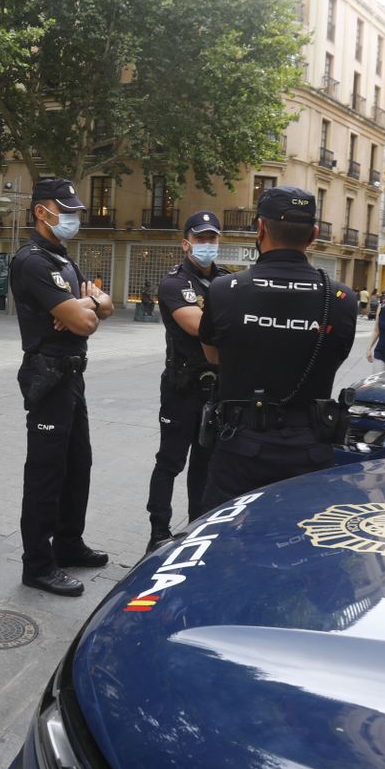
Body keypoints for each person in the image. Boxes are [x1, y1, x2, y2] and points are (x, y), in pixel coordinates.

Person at [198, 186, 357, 513]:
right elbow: (335, 358)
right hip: (310, 450)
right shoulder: (342, 300)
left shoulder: (225, 290)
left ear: (260, 228)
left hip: (240, 448)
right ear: (313, 235)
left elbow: (213, 356)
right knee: (303, 543)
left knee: (226, 546)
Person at [10, 177, 115, 596]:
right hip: (48, 376)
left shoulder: (64, 262)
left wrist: (85, 304)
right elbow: (90, 320)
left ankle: (69, 544)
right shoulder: (32, 261)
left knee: (79, 465)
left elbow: (104, 305)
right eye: (65, 209)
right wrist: (86, 308)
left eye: (74, 211)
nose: (72, 217)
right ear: (41, 211)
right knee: (46, 473)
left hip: (72, 375)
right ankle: (36, 564)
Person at [145, 210, 231, 551]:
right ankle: (158, 532)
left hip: (218, 390)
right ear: (186, 244)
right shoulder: (175, 283)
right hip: (182, 387)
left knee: (206, 466)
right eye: (201, 239)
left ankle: (197, 529)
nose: (207, 244)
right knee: (170, 461)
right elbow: (199, 327)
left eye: (212, 239)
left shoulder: (227, 280)